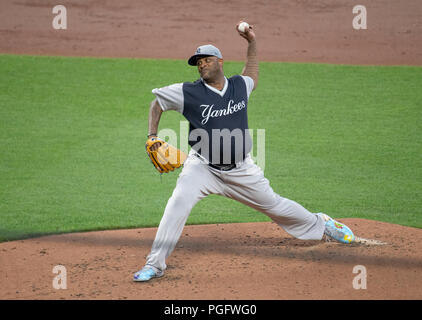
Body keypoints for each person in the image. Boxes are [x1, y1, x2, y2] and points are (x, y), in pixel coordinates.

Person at [134, 22, 355, 282]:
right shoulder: (188, 92)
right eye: (198, 62)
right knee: (176, 206)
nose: (201, 64)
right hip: (202, 168)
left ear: (219, 61)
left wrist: (251, 42)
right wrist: (152, 136)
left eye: (206, 59)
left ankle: (322, 223)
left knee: (275, 205)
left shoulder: (240, 86)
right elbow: (156, 103)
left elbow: (252, 71)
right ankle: (154, 264)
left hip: (241, 170)